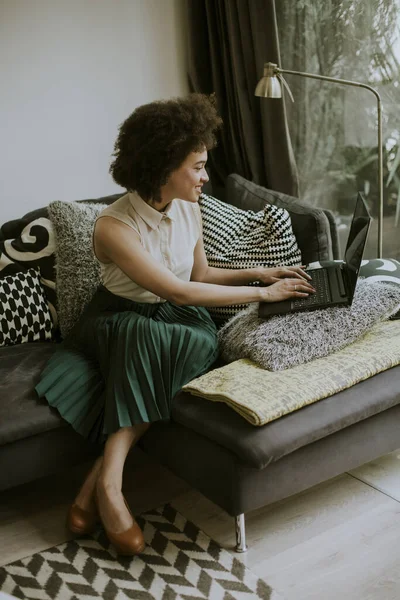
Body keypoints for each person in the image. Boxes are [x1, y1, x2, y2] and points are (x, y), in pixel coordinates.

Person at [35, 93, 315, 556]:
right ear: (164, 165)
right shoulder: (113, 226)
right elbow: (179, 290)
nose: (206, 176)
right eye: (198, 166)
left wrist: (262, 271)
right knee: (147, 340)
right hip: (119, 317)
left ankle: (97, 482)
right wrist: (264, 294)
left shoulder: (190, 206)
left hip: (173, 316)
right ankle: (110, 490)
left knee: (198, 340)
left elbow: (200, 275)